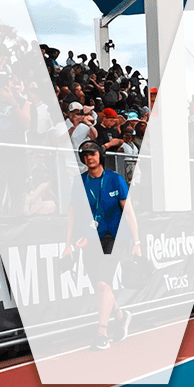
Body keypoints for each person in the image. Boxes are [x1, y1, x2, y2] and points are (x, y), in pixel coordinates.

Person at [67, 142, 140, 349]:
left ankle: (102, 333)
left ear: (100, 155)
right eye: (86, 155)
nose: (90, 158)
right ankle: (120, 315)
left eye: (93, 154)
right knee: (101, 286)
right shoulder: (79, 182)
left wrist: (137, 242)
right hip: (90, 238)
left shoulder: (115, 179)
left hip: (115, 238)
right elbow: (72, 213)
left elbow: (129, 212)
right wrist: (67, 244)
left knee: (102, 284)